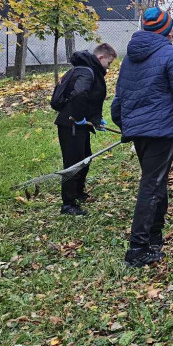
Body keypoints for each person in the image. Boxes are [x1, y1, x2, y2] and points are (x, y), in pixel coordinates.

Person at [111, 7, 173, 268]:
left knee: (156, 182)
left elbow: (119, 98)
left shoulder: (130, 58)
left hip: (139, 131)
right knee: (151, 186)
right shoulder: (171, 55)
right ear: (167, 30)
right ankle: (137, 249)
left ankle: (154, 237)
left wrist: (125, 124)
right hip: (162, 131)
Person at [51, 43, 118, 217]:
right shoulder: (86, 72)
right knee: (74, 163)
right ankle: (68, 204)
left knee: (85, 158)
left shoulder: (87, 70)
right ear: (101, 57)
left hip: (79, 124)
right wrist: (79, 117)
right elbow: (80, 94)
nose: (108, 68)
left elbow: (88, 97)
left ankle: (78, 192)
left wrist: (94, 120)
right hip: (71, 124)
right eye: (109, 63)